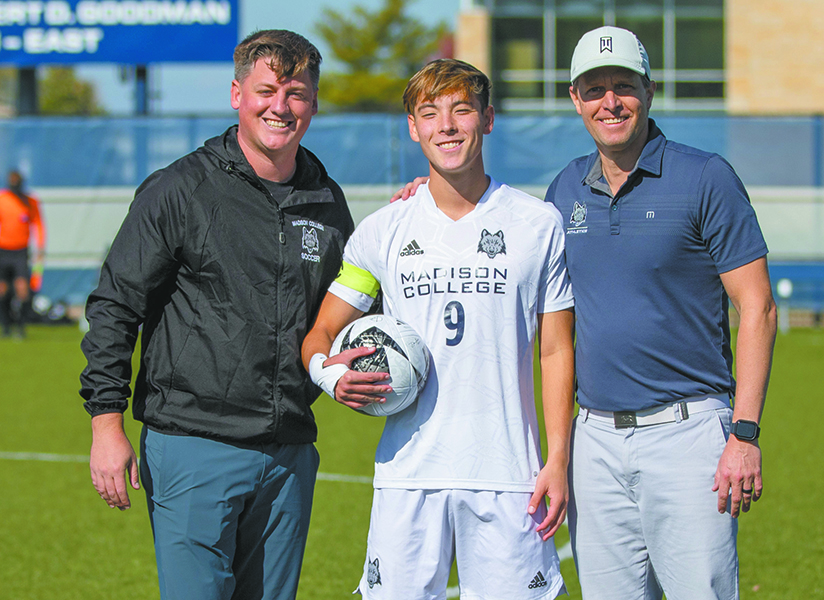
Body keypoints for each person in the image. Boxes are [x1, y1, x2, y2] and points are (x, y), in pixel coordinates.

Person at [79, 30, 354, 600]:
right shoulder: (179, 189)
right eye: (267, 90)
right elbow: (115, 305)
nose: (281, 106)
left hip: (289, 452)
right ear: (236, 94)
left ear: (314, 103)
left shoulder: (326, 198)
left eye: (297, 93)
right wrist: (106, 422)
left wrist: (412, 212)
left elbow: (346, 307)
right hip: (193, 444)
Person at [302, 59, 574, 599]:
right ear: (413, 127)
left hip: (508, 474)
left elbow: (555, 349)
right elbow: (321, 332)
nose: (446, 126)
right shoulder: (382, 231)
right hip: (408, 475)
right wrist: (327, 376)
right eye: (430, 114)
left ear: (487, 119)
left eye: (461, 110)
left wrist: (558, 458)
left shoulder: (538, 223)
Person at [543, 26, 778, 599]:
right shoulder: (564, 189)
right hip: (593, 441)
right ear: (575, 99)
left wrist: (744, 434)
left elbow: (759, 307)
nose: (610, 102)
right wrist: (427, 190)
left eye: (624, 86)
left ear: (650, 90)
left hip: (690, 432)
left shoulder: (705, 177)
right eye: (594, 89)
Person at [0, 170, 45, 338]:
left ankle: (20, 326)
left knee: (22, 289)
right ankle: (5, 325)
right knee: (2, 289)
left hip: (20, 251)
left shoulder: (30, 201)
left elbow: (38, 224)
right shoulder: (3, 199)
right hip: (3, 249)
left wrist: (40, 247)